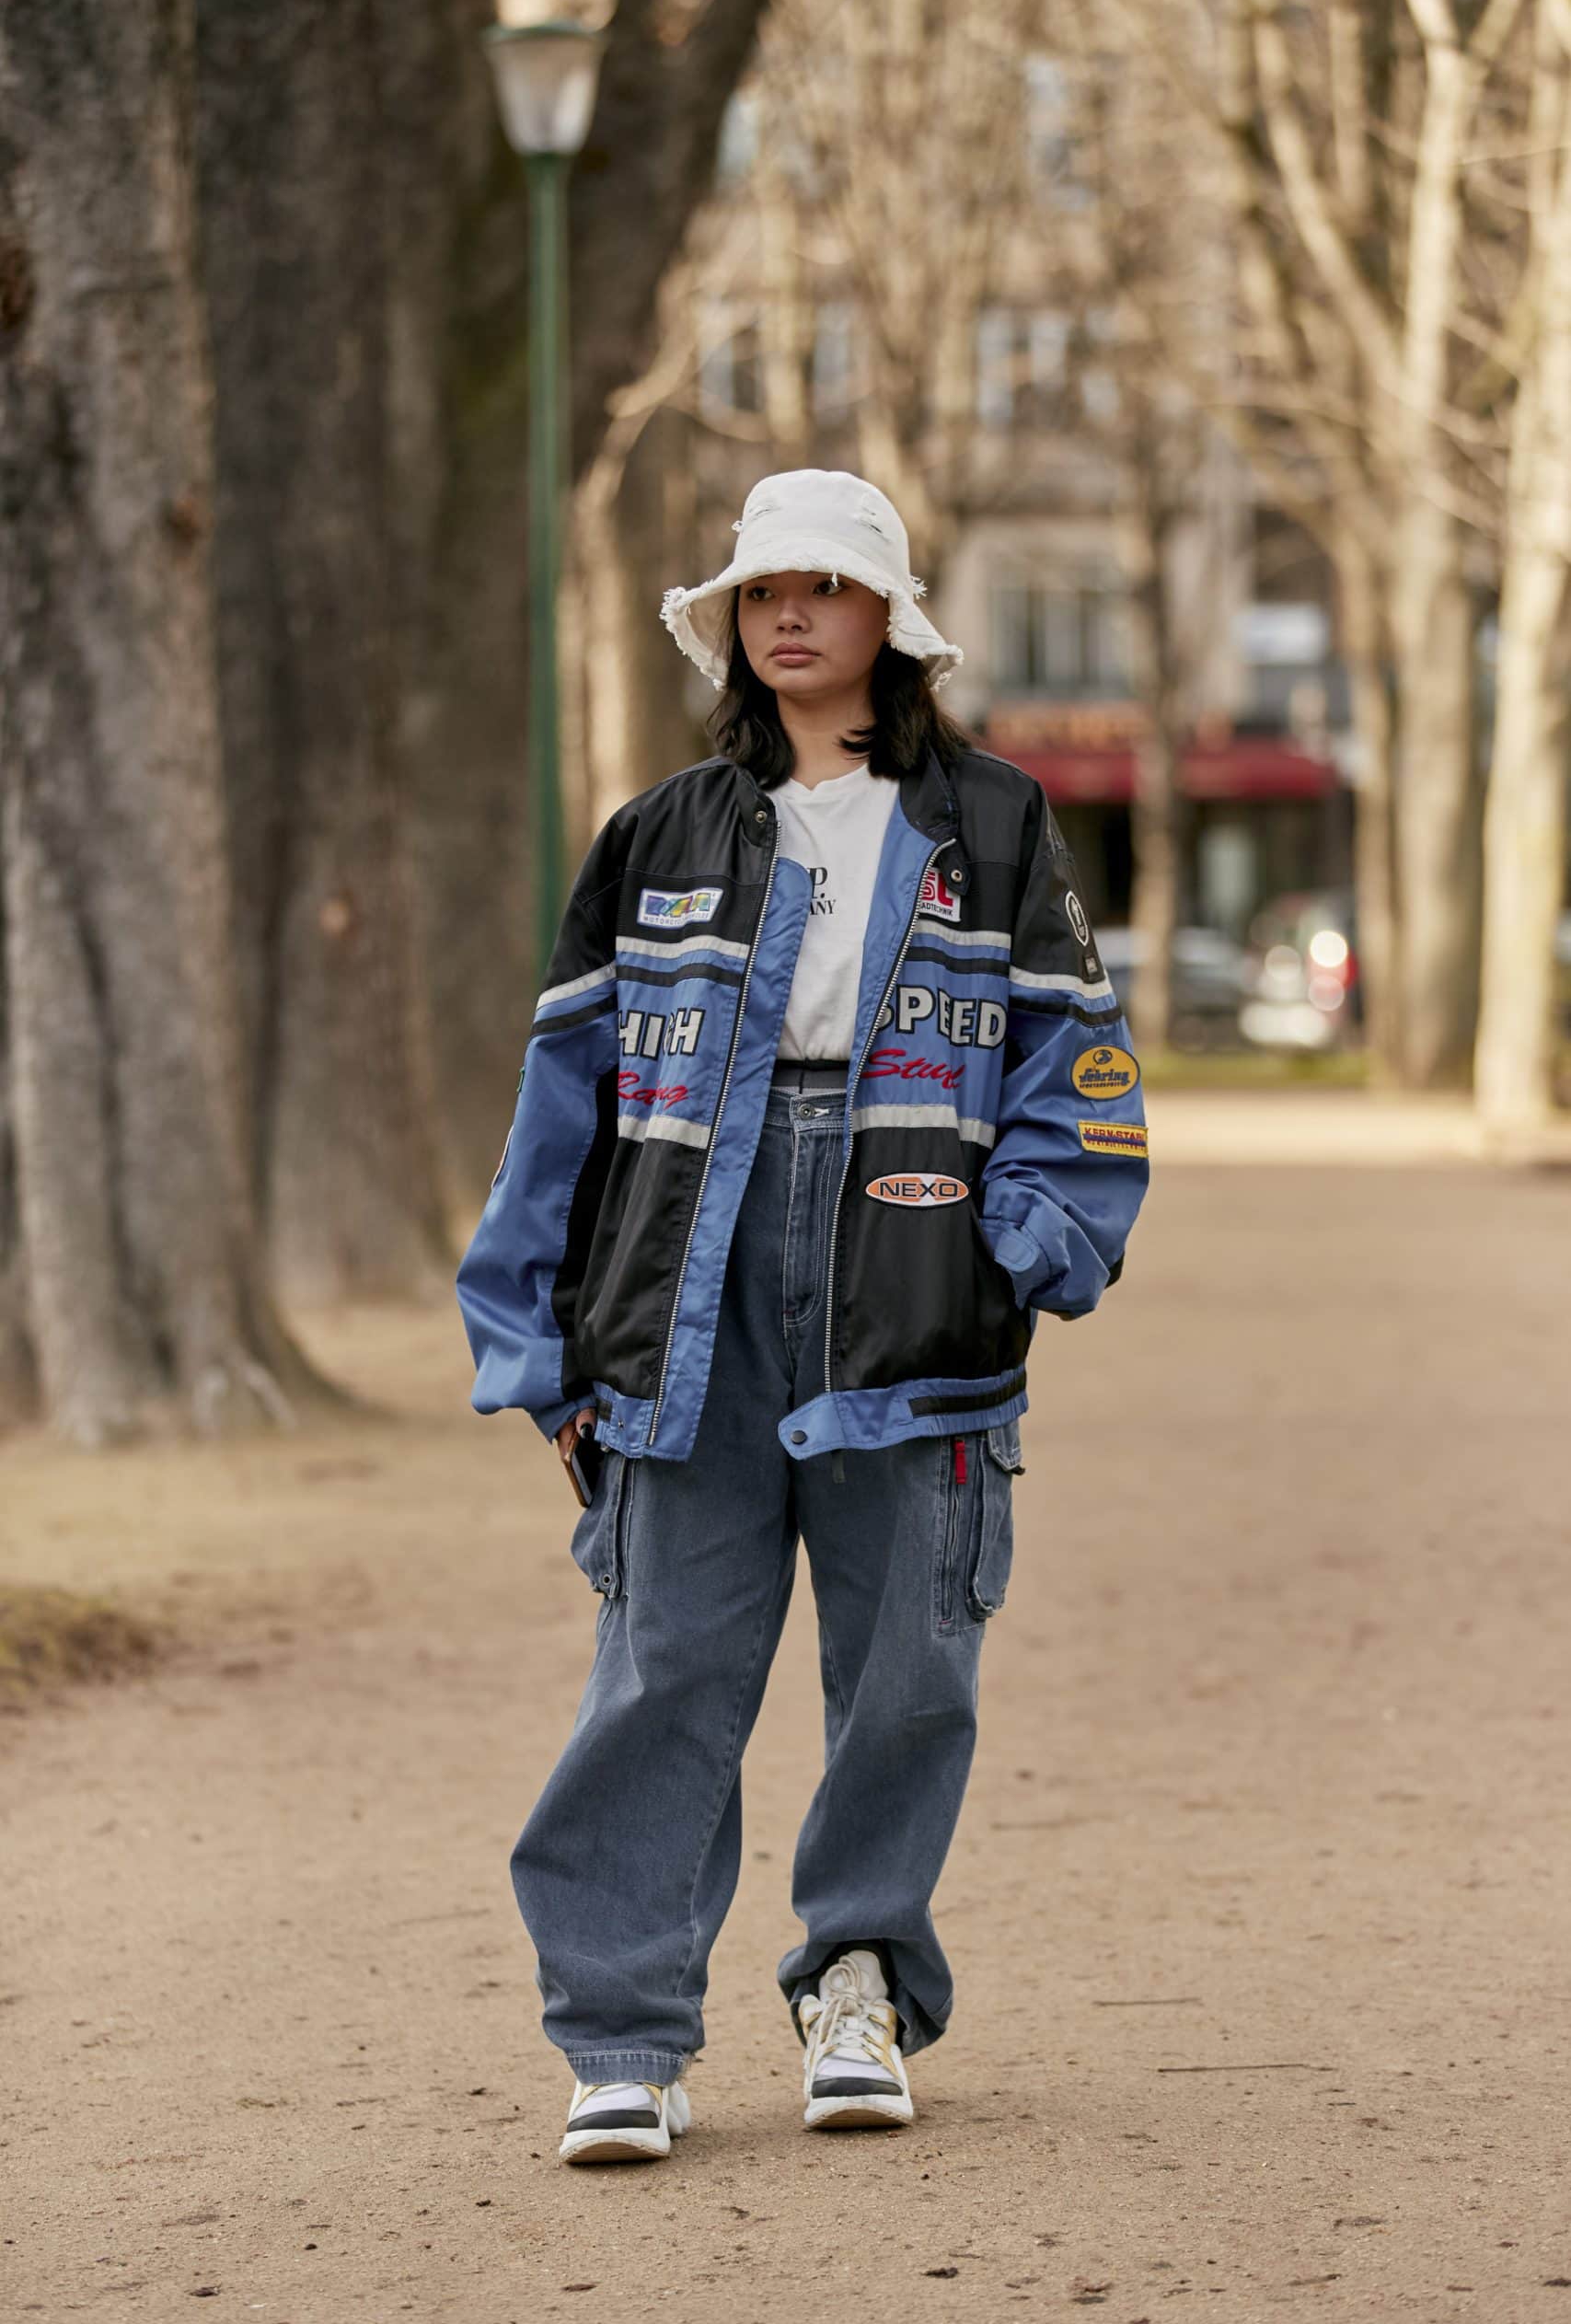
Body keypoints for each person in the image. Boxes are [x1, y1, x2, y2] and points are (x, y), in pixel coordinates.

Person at [456, 468, 1149, 2165]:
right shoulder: (659, 834)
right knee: (666, 1660)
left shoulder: (995, 823)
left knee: (909, 1661)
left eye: (822, 590)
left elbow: (1082, 1067)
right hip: (684, 1278)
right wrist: (537, 1342)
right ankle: (622, 2034)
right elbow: (567, 1105)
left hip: (915, 1268)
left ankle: (857, 1979)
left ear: (885, 623)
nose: (787, 614)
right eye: (762, 590)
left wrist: (1027, 1238)